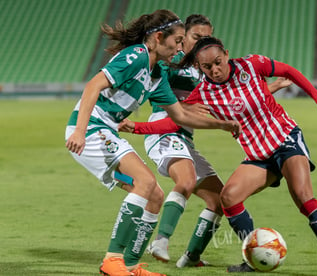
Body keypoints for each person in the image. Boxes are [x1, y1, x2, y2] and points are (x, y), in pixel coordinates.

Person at [120, 36, 317, 276]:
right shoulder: (204, 93)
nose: (214, 70)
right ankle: (253, 258)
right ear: (200, 68)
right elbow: (175, 121)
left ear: (227, 54)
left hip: (285, 140)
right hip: (257, 155)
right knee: (229, 197)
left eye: (218, 62)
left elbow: (289, 71)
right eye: (207, 67)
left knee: (303, 197)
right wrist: (136, 127)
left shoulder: (252, 65)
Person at [65, 12, 241, 276]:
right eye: (179, 40)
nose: (181, 48)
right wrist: (79, 131)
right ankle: (112, 261)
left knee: (156, 195)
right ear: (159, 38)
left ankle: (132, 264)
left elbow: (180, 116)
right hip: (91, 128)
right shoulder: (136, 55)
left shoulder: (157, 74)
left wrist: (222, 124)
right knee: (145, 183)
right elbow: (92, 85)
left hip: (106, 131)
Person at [119, 14, 292, 269]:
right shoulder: (172, 62)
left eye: (206, 38)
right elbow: (152, 74)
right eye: (195, 37)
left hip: (184, 138)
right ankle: (161, 241)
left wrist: (272, 88)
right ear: (182, 37)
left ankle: (190, 258)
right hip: (163, 132)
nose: (201, 42)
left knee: (218, 199)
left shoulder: (205, 68)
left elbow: (233, 99)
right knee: (186, 180)